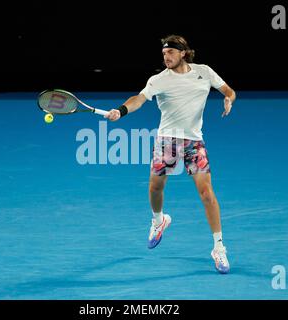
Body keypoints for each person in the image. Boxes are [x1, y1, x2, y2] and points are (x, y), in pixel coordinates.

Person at [105, 35, 236, 274]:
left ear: (183, 53)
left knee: (207, 193)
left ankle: (218, 247)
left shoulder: (204, 72)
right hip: (167, 141)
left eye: (170, 53)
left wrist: (229, 99)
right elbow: (139, 99)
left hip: (194, 143)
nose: (166, 57)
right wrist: (121, 111)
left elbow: (228, 90)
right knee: (155, 188)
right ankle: (158, 221)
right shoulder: (158, 80)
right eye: (164, 53)